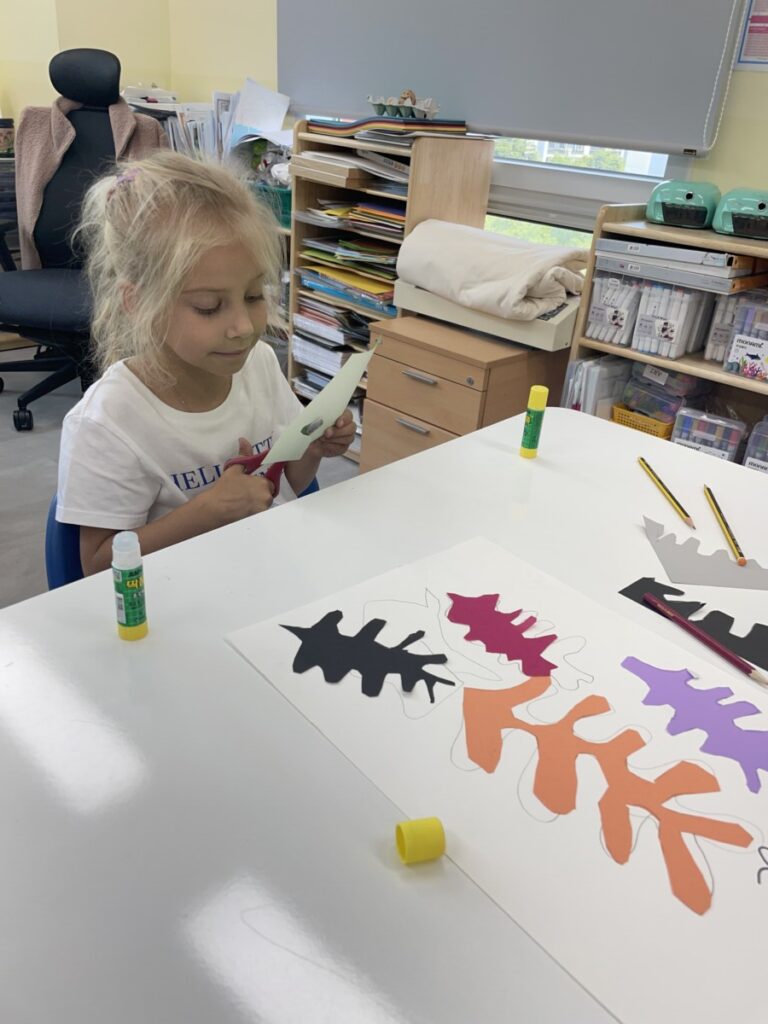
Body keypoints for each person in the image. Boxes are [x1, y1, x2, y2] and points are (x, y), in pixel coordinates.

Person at [56, 151, 355, 576]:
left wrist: (313, 449)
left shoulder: (259, 365)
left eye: (254, 296)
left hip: (267, 573)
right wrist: (207, 513)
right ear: (138, 304)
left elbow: (287, 484)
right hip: (180, 597)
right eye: (208, 307)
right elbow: (98, 566)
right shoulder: (108, 423)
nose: (243, 327)